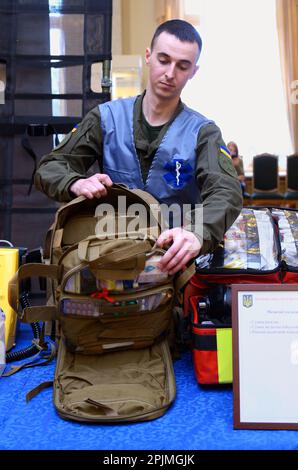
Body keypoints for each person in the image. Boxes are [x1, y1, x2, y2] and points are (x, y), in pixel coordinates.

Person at [35, 19, 242, 275]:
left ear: (193, 72)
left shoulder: (202, 132)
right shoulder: (106, 118)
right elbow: (50, 167)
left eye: (182, 65)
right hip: (109, 261)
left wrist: (198, 233)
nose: (170, 73)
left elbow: (226, 191)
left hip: (173, 265)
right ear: (149, 56)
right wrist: (74, 182)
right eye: (164, 60)